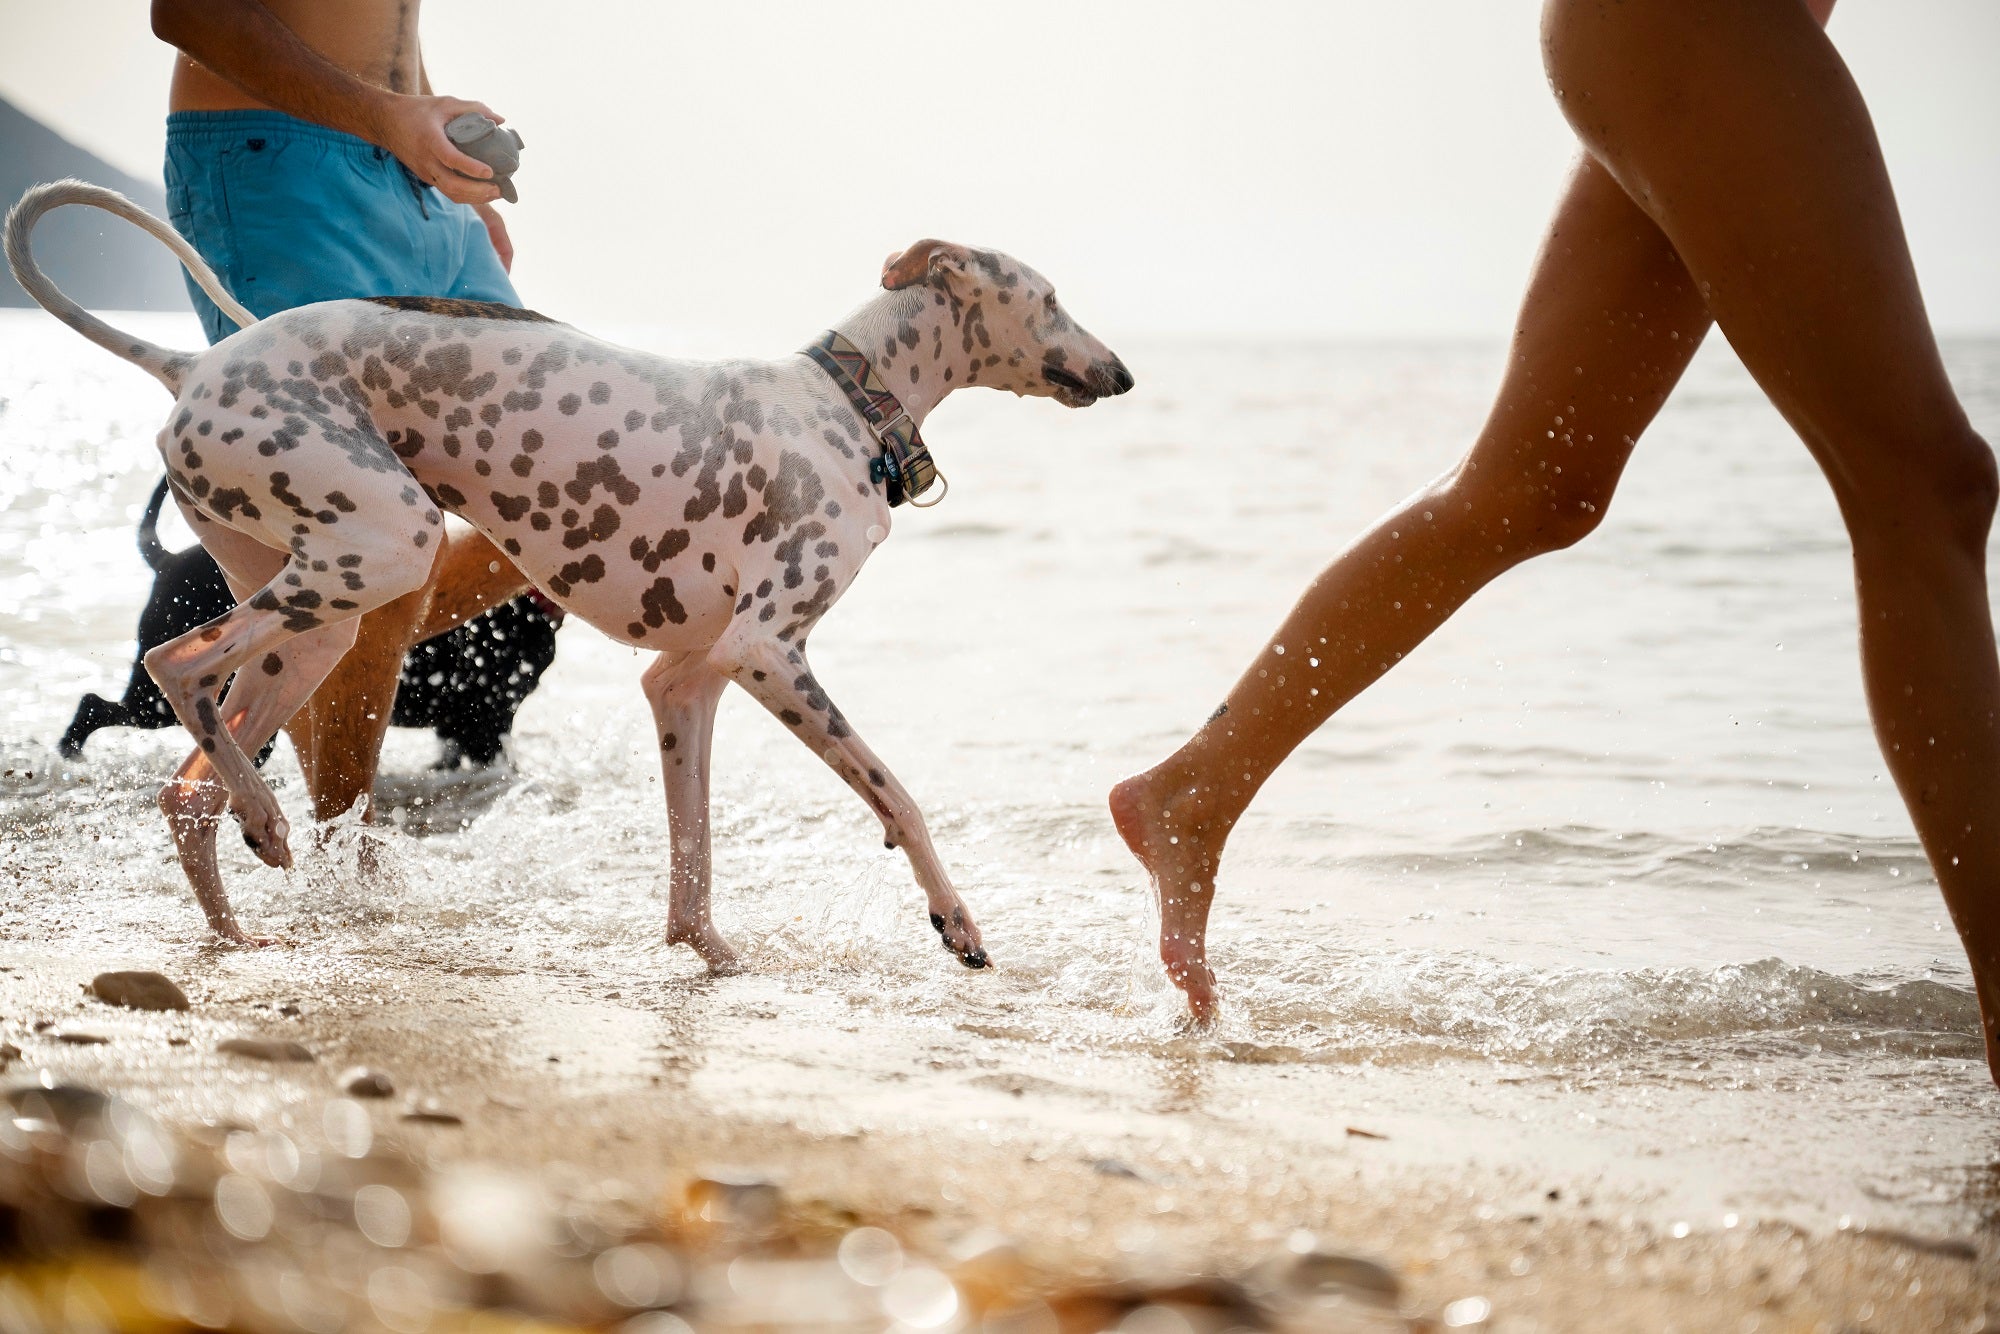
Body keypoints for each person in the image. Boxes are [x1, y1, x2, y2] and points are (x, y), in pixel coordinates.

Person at [1110, 0, 2000, 1087]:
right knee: (1927, 490)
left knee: (1535, 488)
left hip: (1684, 36)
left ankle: (1197, 786)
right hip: (1699, 24)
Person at [148, 0, 553, 834]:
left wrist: (438, 156)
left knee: (560, 491)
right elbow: (188, 12)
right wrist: (390, 115)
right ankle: (344, 863)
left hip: (414, 173)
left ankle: (250, 739)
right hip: (284, 166)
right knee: (369, 541)